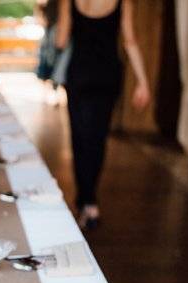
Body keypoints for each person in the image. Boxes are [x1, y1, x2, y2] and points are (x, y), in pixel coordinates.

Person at [56, 0, 150, 229]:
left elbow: (61, 40)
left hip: (79, 73)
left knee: (79, 138)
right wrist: (143, 82)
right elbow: (130, 41)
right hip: (108, 74)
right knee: (97, 138)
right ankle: (91, 203)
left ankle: (84, 200)